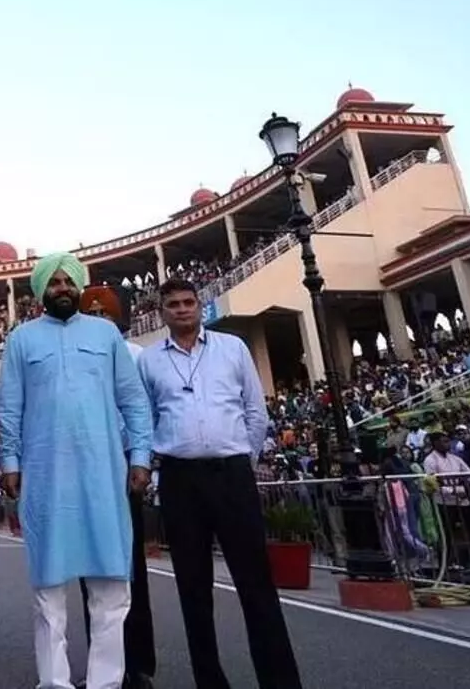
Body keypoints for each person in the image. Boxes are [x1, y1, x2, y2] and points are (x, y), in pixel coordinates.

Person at [0, 253, 152, 689]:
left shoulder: (105, 334)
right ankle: (54, 682)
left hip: (104, 477)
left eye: (68, 281)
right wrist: (10, 463)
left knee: (111, 589)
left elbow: (134, 401)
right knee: (48, 592)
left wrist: (141, 455)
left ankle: (105, 683)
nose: (62, 288)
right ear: (41, 290)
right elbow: (9, 409)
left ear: (79, 286)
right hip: (46, 479)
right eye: (54, 282)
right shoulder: (21, 339)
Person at [139, 278, 301, 689]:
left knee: (256, 583)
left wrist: (243, 457)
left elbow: (255, 410)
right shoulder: (149, 360)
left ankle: (280, 682)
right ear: (162, 312)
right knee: (193, 588)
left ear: (200, 305)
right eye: (173, 304)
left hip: (232, 475)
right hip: (180, 478)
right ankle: (210, 682)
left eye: (188, 302)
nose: (182, 309)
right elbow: (145, 418)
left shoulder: (233, 348)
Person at [77, 284, 158, 689]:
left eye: (105, 315)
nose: (98, 321)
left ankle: (137, 665)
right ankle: (102, 665)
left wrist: (141, 460)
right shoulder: (74, 357)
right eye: (91, 315)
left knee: (129, 568)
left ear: (118, 320)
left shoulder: (136, 355)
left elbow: (145, 412)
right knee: (90, 570)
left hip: (123, 463)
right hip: (84, 466)